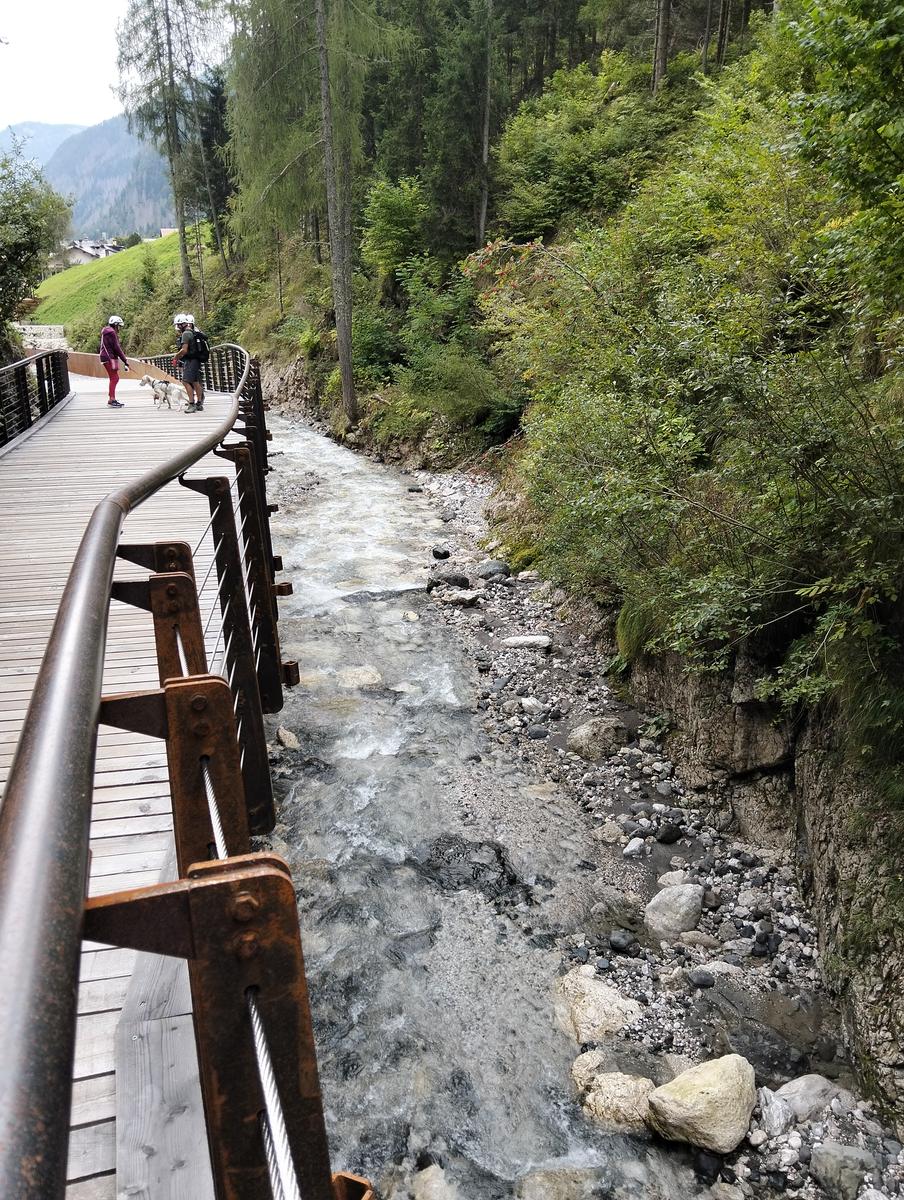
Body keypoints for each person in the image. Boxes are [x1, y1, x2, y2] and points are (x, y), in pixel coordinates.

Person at [173, 313, 205, 413]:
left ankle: (192, 404)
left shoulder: (186, 334)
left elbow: (184, 350)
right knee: (195, 381)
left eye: (178, 325)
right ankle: (199, 403)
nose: (177, 327)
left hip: (191, 361)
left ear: (182, 324)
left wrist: (176, 357)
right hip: (196, 360)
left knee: (186, 381)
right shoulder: (192, 332)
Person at [99, 315, 130, 408]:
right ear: (115, 325)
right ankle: (111, 400)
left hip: (106, 357)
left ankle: (112, 398)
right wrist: (125, 360)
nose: (119, 328)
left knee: (114, 378)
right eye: (119, 326)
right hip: (109, 357)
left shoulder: (107, 331)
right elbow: (117, 348)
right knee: (114, 378)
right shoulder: (112, 332)